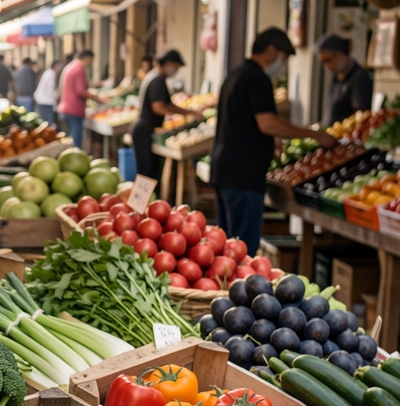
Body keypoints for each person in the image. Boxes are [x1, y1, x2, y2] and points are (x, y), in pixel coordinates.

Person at [211, 28, 337, 254]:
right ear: (271, 51)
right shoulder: (258, 79)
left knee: (226, 247)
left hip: (225, 170)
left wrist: (274, 136)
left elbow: (248, 120)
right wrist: (314, 134)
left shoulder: (236, 74)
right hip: (243, 176)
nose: (283, 64)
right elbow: (267, 123)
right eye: (284, 57)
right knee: (242, 250)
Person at [130, 50, 205, 183]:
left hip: (144, 128)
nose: (176, 72)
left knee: (148, 171)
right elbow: (158, 107)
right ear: (169, 64)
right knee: (147, 173)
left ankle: (148, 202)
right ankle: (143, 203)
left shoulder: (153, 76)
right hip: (144, 129)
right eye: (176, 68)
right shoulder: (157, 79)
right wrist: (188, 112)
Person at [316, 32, 373, 126]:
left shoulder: (359, 77)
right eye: (323, 62)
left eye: (328, 60)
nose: (326, 66)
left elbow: (360, 115)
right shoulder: (336, 76)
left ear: (340, 54)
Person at [57, 49, 103, 148]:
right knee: (75, 143)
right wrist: (98, 98)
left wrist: (96, 84)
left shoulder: (70, 67)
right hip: (73, 110)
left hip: (65, 109)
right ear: (87, 58)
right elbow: (80, 91)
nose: (90, 64)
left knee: (71, 140)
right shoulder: (79, 69)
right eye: (91, 61)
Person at [33, 59, 61, 124]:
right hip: (46, 101)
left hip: (42, 100)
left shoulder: (47, 72)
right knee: (48, 122)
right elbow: (50, 89)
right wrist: (56, 98)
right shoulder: (51, 74)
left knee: (44, 121)